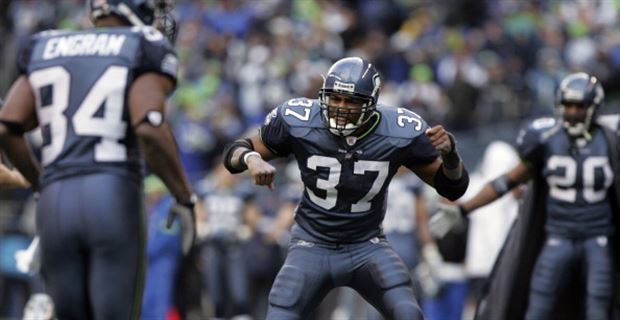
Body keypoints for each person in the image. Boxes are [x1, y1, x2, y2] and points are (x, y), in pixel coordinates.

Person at [223, 56, 469, 319]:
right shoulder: (300, 119)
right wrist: (252, 159)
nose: (341, 108)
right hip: (311, 243)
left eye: (351, 101)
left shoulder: (399, 130)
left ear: (371, 103)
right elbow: (234, 154)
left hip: (367, 245)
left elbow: (452, 187)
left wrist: (450, 156)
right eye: (335, 98)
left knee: (409, 314)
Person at [0, 1, 196, 319]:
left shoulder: (46, 43)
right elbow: (148, 126)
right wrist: (184, 195)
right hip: (112, 192)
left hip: (54, 202)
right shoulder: (142, 45)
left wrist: (40, 183)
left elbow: (8, 127)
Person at [430, 72, 620, 319]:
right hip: (558, 236)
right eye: (568, 105)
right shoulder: (547, 141)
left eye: (579, 106)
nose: (573, 112)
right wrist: (464, 209)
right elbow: (506, 181)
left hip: (597, 236)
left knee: (598, 305)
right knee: (539, 302)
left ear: (593, 107)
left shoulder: (610, 141)